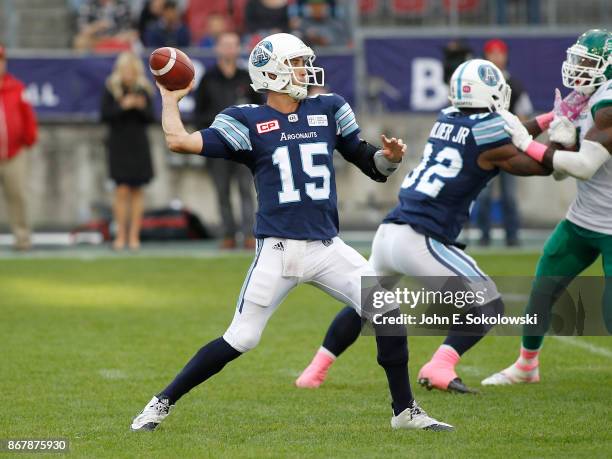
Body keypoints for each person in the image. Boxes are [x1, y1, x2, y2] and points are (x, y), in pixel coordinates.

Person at [131, 32, 453, 432]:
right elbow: (179, 141)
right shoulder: (244, 120)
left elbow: (370, 165)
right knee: (242, 338)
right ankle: (161, 402)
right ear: (274, 72)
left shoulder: (330, 108)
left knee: (386, 310)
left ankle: (404, 412)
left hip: (326, 247)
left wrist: (389, 159)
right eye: (297, 63)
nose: (305, 69)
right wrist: (169, 97)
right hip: (278, 251)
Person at [295, 58, 579, 394]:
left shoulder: (447, 118)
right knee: (488, 304)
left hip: (390, 232)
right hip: (420, 238)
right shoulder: (491, 138)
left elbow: (509, 135)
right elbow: (540, 164)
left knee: (366, 304)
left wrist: (547, 119)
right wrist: (562, 140)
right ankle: (440, 365)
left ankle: (314, 371)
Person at [482, 29, 612, 386]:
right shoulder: (585, 97)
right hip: (584, 218)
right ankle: (526, 365)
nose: (578, 69)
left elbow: (585, 167)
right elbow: (563, 172)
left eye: (587, 62)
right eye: (578, 60)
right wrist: (561, 142)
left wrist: (528, 143)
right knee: (542, 288)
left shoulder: (607, 103)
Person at [194, 31, 261, 250]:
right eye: (226, 44)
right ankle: (228, 235)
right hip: (218, 145)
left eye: (234, 44)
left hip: (244, 145)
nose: (230, 49)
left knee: (246, 190)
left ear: (238, 48)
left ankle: (250, 235)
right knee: (222, 191)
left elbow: (260, 110)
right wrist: (211, 134)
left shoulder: (246, 77)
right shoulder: (208, 78)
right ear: (218, 48)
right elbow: (198, 113)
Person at [476, 39, 534, 247]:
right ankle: (484, 236)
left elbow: (524, 112)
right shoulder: (478, 84)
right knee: (483, 196)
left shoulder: (514, 84)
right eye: (492, 53)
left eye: (499, 53)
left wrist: (520, 137)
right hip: (486, 148)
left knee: (509, 196)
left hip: (508, 147)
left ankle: (512, 235)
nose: (496, 57)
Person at [101, 51, 155, 251]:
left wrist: (139, 106)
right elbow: (104, 115)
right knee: (121, 189)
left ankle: (134, 236)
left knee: (137, 190)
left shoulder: (144, 89)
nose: (128, 74)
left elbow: (152, 118)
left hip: (139, 144)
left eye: (132, 70)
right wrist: (123, 106)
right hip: (118, 145)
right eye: (125, 70)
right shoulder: (111, 89)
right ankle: (120, 235)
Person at [0, 45, 37, 251]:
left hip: (14, 154)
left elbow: (27, 116)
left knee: (18, 196)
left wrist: (29, 139)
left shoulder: (16, 88)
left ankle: (22, 239)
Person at [73, 0, 138, 52]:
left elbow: (133, 30)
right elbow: (82, 30)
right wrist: (97, 25)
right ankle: (83, 65)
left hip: (117, 39)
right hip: (96, 39)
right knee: (79, 41)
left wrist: (121, 36)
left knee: (133, 38)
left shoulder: (123, 5)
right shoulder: (88, 5)